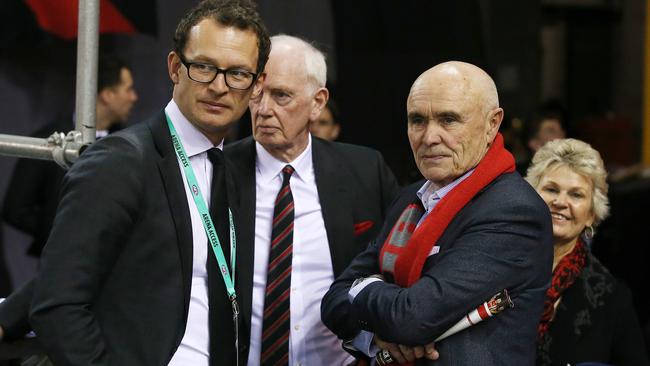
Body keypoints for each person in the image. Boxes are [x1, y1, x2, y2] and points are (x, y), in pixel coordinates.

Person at [27, 1, 271, 365]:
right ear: (175, 67)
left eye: (237, 73)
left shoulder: (235, 170)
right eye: (204, 67)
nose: (219, 87)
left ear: (256, 86)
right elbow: (58, 304)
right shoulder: (120, 162)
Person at [321, 61, 553, 365]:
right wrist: (377, 338)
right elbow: (333, 300)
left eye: (448, 120)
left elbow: (413, 317)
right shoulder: (411, 197)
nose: (429, 137)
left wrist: (365, 287)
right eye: (418, 120)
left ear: (492, 124)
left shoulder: (514, 210)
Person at [225, 34, 399, 365]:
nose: (263, 109)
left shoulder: (364, 171)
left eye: (281, 96)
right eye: (256, 93)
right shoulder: (217, 173)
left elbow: (399, 261)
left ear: (318, 103)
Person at [525, 138, 649, 366]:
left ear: (592, 214)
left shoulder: (612, 297)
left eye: (576, 195)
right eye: (551, 189)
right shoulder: (497, 266)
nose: (560, 201)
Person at [2, 55, 138, 258]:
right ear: (108, 95)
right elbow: (16, 207)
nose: (133, 97)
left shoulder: (131, 144)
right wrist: (61, 232)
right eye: (128, 89)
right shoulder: (49, 139)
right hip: (60, 263)